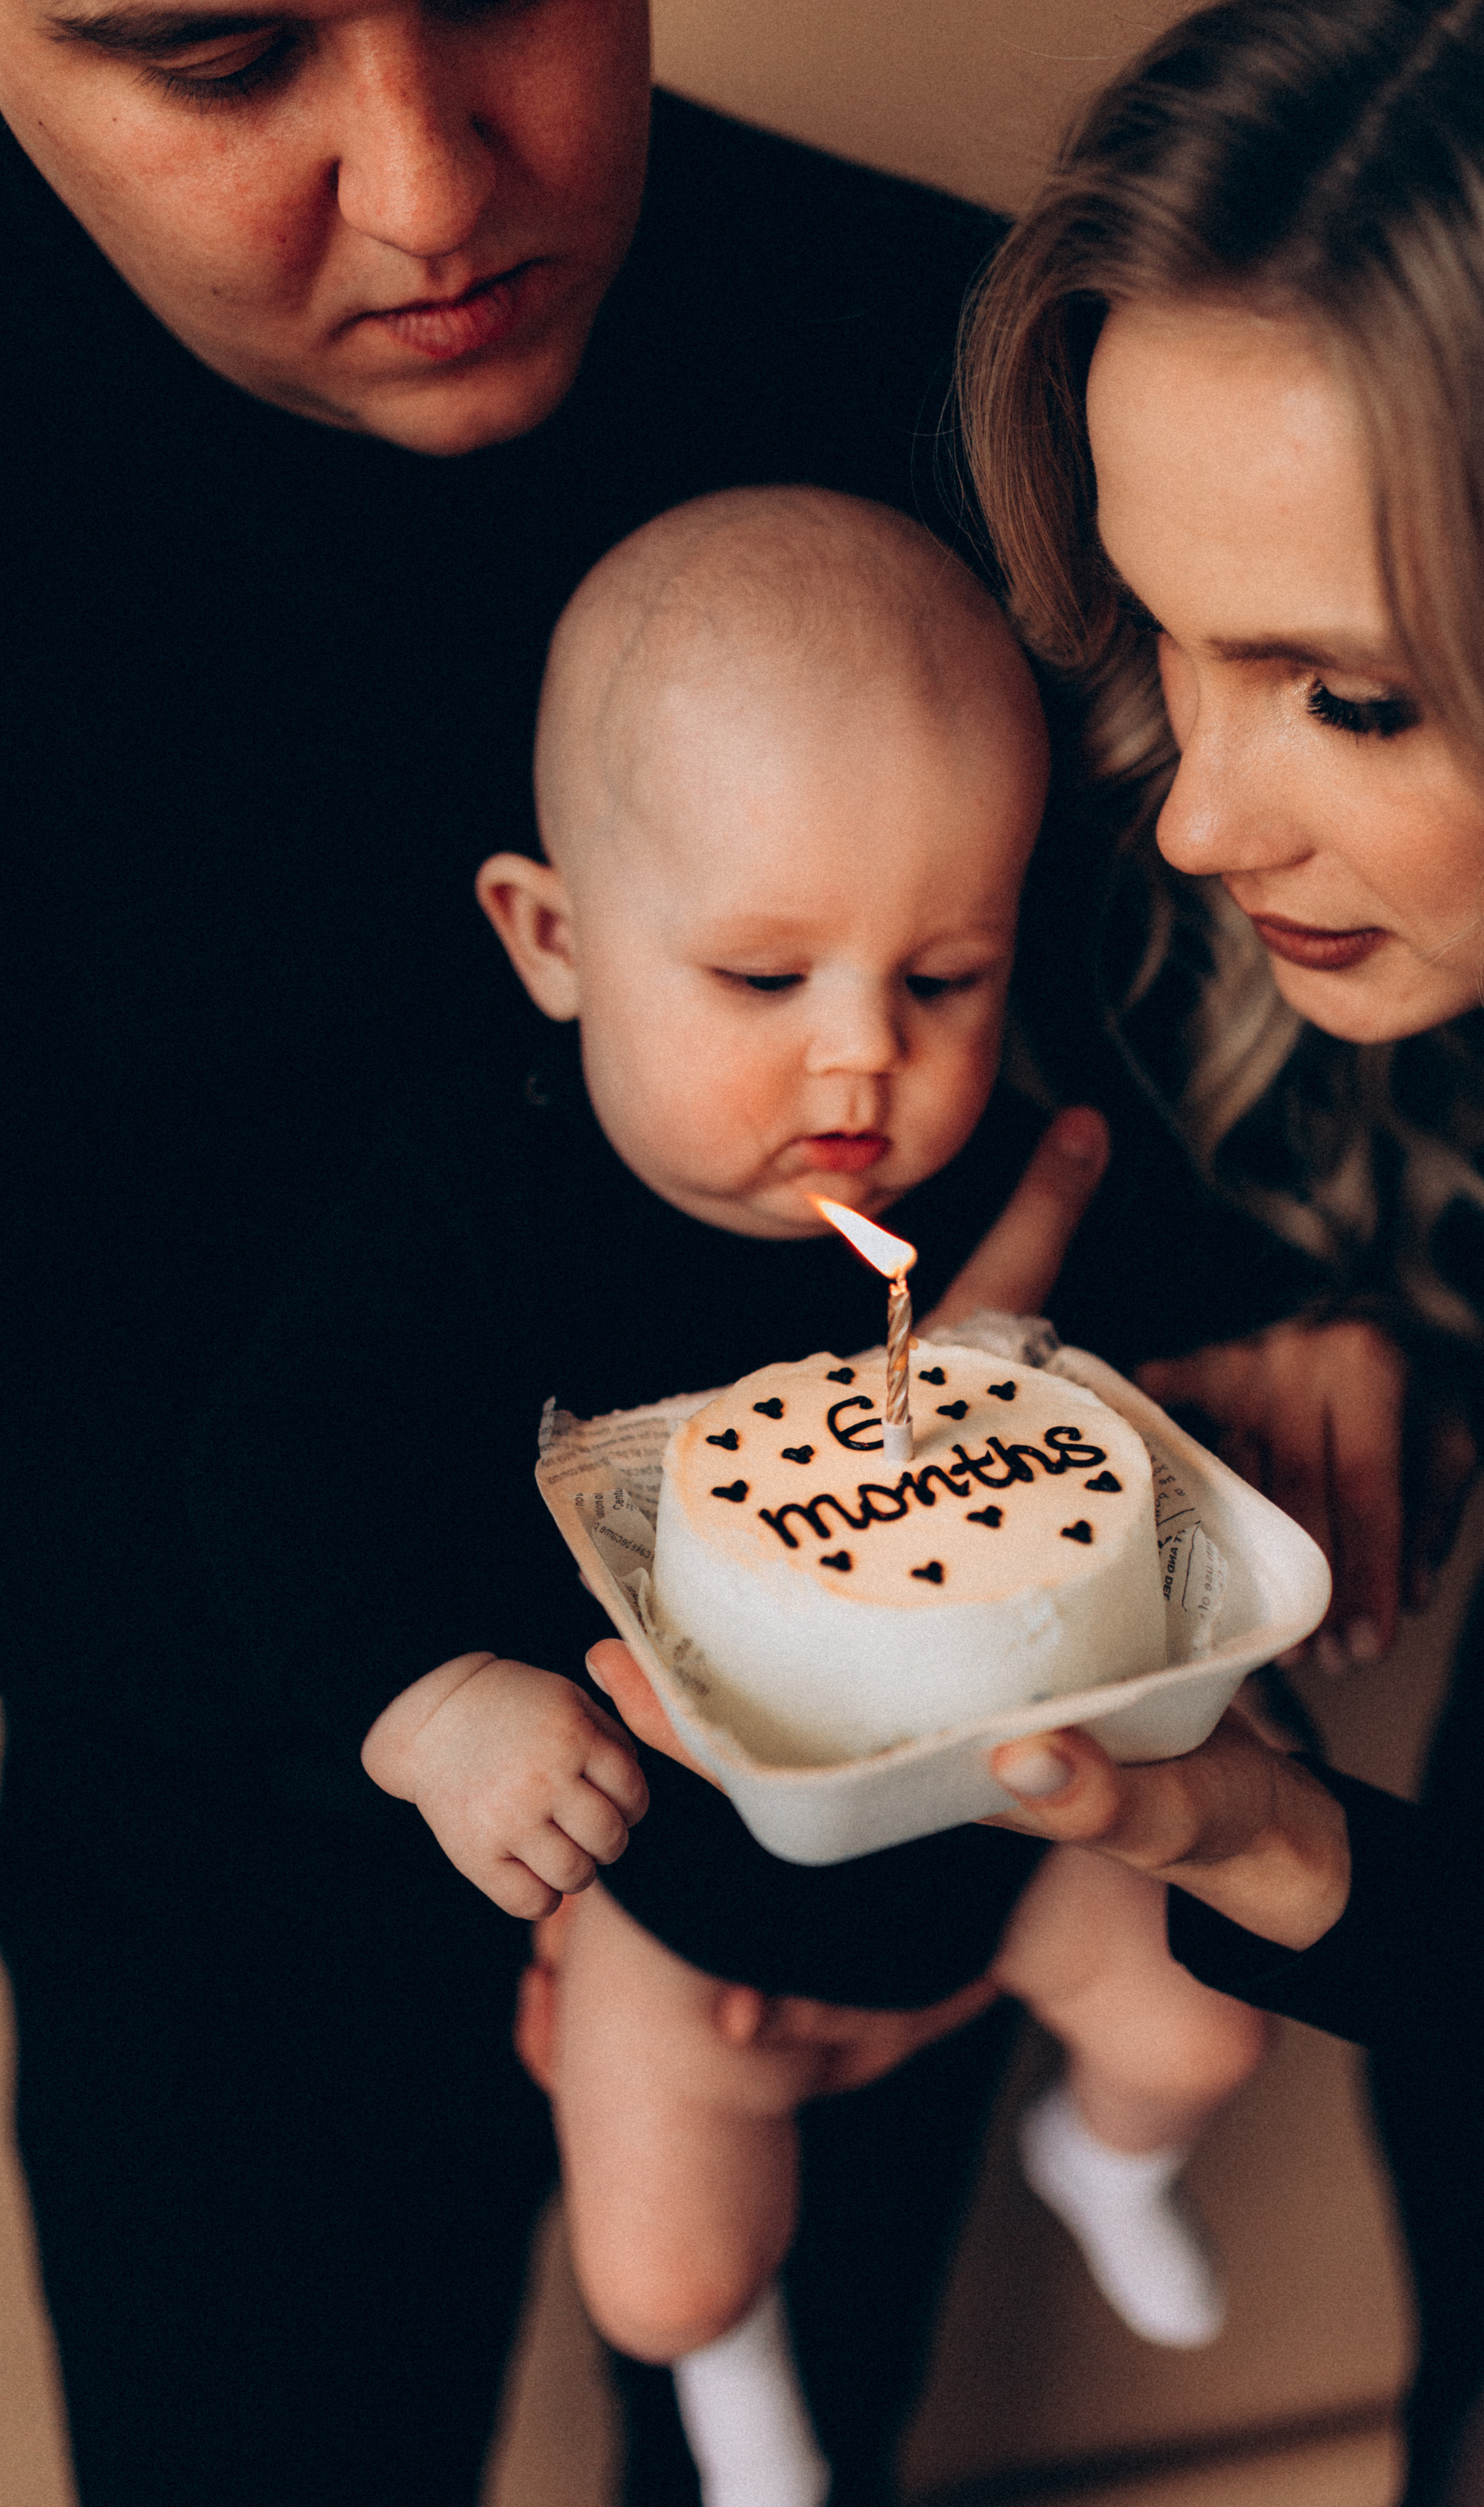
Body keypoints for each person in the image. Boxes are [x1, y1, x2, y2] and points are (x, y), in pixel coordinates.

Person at [0, 7, 1190, 2497]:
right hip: (204, 1842)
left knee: (778, 2427)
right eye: (220, 64)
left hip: (882, 1768)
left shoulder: (981, 365)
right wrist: (434, 1703)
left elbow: (1167, 1029)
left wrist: (1258, 1329)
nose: (436, 194)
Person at [184, 484, 1270, 2506]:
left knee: (1204, 2034)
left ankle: (1097, 2158)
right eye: (766, 981)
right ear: (555, 939)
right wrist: (440, 1711)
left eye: (942, 977)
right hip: (676, 1878)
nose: (862, 1062)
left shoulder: (1021, 1169)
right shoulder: (482, 1207)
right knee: (668, 2270)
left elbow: (1195, 1385)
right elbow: (277, 1467)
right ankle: (724, 2373)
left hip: (1018, 1829)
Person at [876, 0, 1484, 2499]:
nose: (1198, 815)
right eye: (1157, 637)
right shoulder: (1374, 988)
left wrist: (1277, 1845)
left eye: (1341, 691)